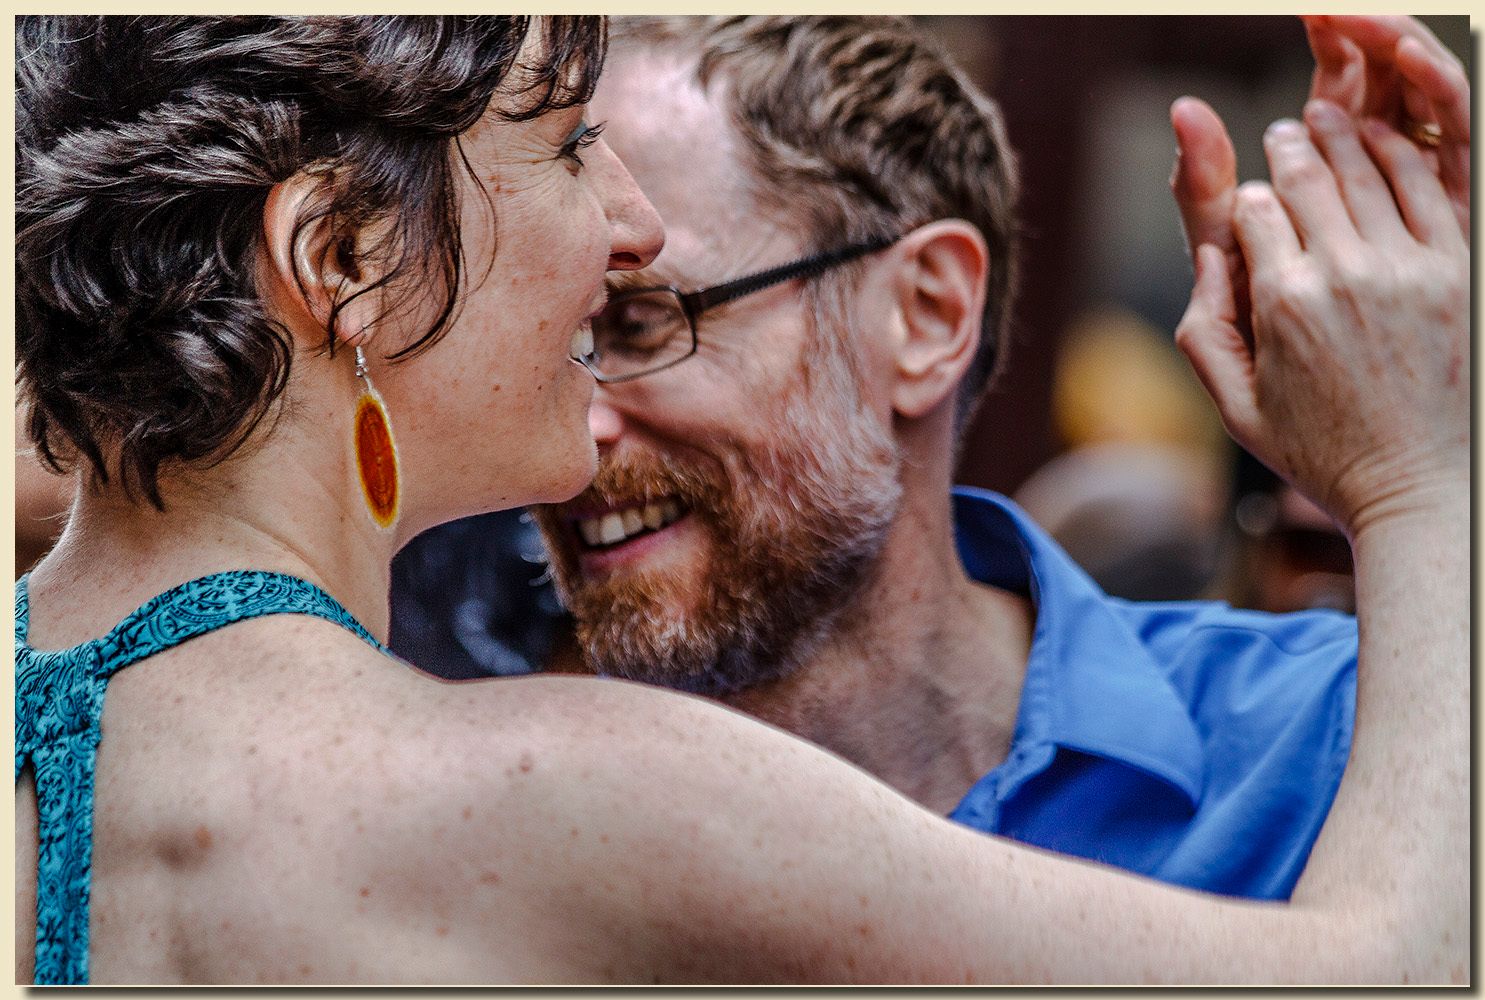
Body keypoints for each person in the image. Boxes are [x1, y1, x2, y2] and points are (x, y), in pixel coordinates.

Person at [15, 14, 1466, 985]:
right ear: (338, 255)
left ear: (929, 315)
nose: (622, 224)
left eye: (659, 317)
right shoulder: (553, 785)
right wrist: (1421, 477)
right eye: (570, 145)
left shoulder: (1331, 723)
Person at [527, 13, 1467, 896]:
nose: (573, 431)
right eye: (544, 341)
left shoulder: (1340, 743)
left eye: (643, 323)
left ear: (925, 315)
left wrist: (1412, 472)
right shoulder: (506, 839)